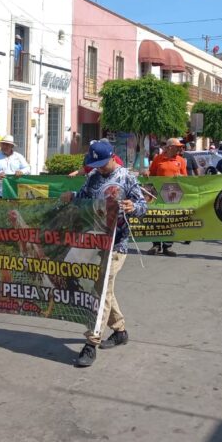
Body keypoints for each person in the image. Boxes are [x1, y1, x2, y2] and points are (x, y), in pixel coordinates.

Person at [59, 140, 147, 368]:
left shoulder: (126, 177)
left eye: (101, 163)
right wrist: (71, 196)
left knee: (101, 289)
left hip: (117, 243)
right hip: (96, 239)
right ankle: (120, 330)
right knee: (103, 288)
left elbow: (143, 206)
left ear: (112, 157)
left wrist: (132, 207)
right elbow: (83, 200)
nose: (98, 167)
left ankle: (91, 343)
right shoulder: (93, 177)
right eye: (94, 163)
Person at [147, 137, 187, 256]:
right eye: (178, 147)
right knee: (157, 219)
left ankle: (167, 246)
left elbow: (187, 178)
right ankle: (156, 245)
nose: (180, 149)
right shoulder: (158, 159)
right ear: (170, 147)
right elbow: (152, 173)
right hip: (158, 194)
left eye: (181, 147)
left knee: (170, 220)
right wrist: (146, 173)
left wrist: (182, 177)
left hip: (173, 194)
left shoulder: (181, 160)